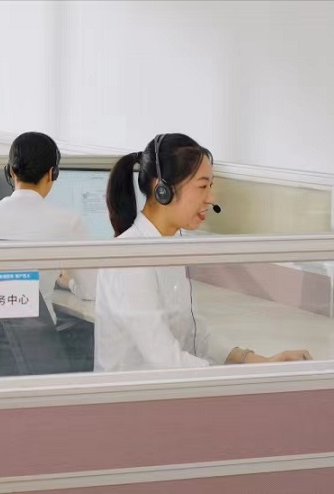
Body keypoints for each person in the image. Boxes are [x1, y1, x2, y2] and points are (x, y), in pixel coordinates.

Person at [94, 133, 311, 372]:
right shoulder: (130, 259)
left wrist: (255, 360)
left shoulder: (170, 245)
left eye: (211, 186)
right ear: (162, 190)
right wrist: (245, 375)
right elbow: (165, 359)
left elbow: (194, 334)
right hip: (137, 394)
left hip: (167, 389)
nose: (211, 198)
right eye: (202, 186)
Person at [0, 132, 97, 370]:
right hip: (36, 355)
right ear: (52, 173)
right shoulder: (68, 221)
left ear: (10, 172)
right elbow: (91, 291)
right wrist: (67, 281)